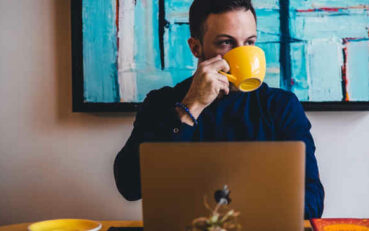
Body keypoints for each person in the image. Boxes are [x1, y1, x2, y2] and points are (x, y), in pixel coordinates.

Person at [114, 0, 324, 219]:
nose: (242, 53)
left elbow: (313, 200)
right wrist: (190, 108)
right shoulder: (161, 103)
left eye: (249, 42)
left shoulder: (280, 107)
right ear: (196, 47)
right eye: (226, 43)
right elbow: (129, 186)